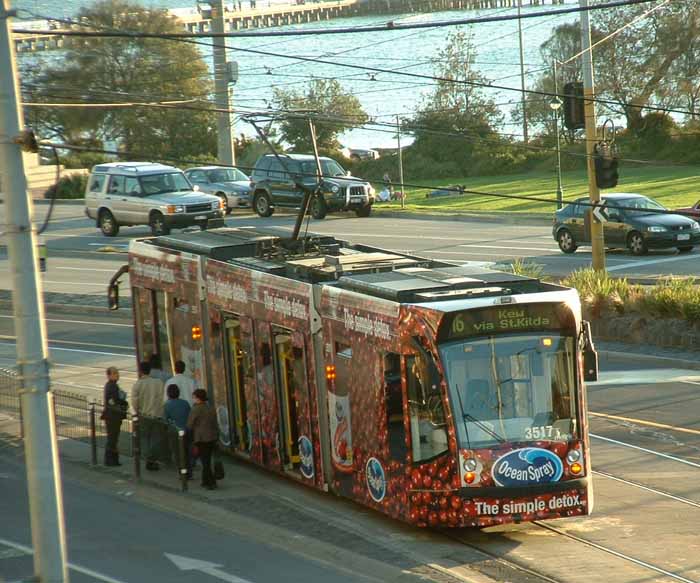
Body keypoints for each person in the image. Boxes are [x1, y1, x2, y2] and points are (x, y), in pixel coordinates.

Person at [132, 360, 165, 471]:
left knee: (145, 438)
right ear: (150, 371)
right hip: (156, 415)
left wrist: (138, 411)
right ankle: (153, 459)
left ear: (141, 371)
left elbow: (134, 402)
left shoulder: (137, 385)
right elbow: (162, 399)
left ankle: (148, 459)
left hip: (144, 415)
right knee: (156, 439)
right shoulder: (158, 383)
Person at [187, 389, 220, 490]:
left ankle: (211, 482)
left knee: (204, 461)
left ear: (197, 398)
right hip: (212, 437)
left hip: (201, 438)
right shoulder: (210, 408)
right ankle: (205, 480)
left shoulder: (196, 409)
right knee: (207, 458)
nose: (193, 399)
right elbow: (215, 423)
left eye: (193, 397)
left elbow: (190, 424)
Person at [164, 384, 192, 477]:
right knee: (186, 451)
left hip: (174, 431)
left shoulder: (167, 405)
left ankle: (182, 472)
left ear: (168, 394)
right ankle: (188, 470)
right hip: (186, 430)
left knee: (177, 452)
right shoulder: (185, 403)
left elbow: (165, 419)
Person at [101, 367, 127, 467]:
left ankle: (112, 459)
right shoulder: (112, 386)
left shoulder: (111, 385)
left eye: (117, 373)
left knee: (113, 438)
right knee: (112, 438)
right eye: (115, 373)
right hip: (113, 416)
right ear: (109, 375)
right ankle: (110, 460)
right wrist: (123, 402)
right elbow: (114, 400)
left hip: (112, 415)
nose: (117, 375)